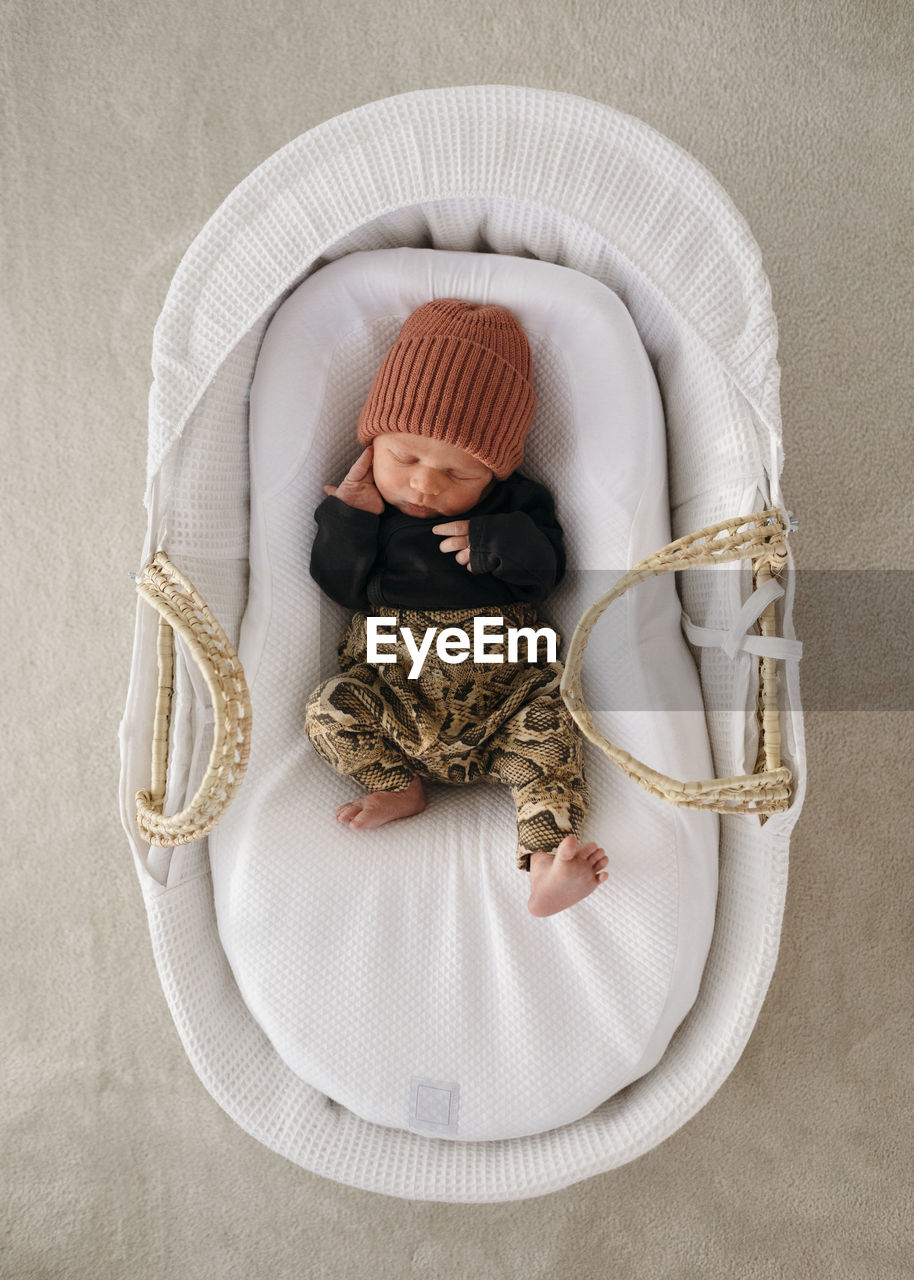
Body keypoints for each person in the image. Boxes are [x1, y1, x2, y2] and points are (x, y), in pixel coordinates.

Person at [305, 298, 607, 916]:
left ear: (495, 475)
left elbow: (547, 576)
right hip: (399, 696)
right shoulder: (371, 512)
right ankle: (398, 786)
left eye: (458, 473)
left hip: (507, 702)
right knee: (328, 708)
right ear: (374, 440)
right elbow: (339, 588)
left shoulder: (516, 508)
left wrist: (500, 541)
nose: (424, 485)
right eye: (405, 458)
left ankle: (548, 862)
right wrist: (347, 522)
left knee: (551, 735)